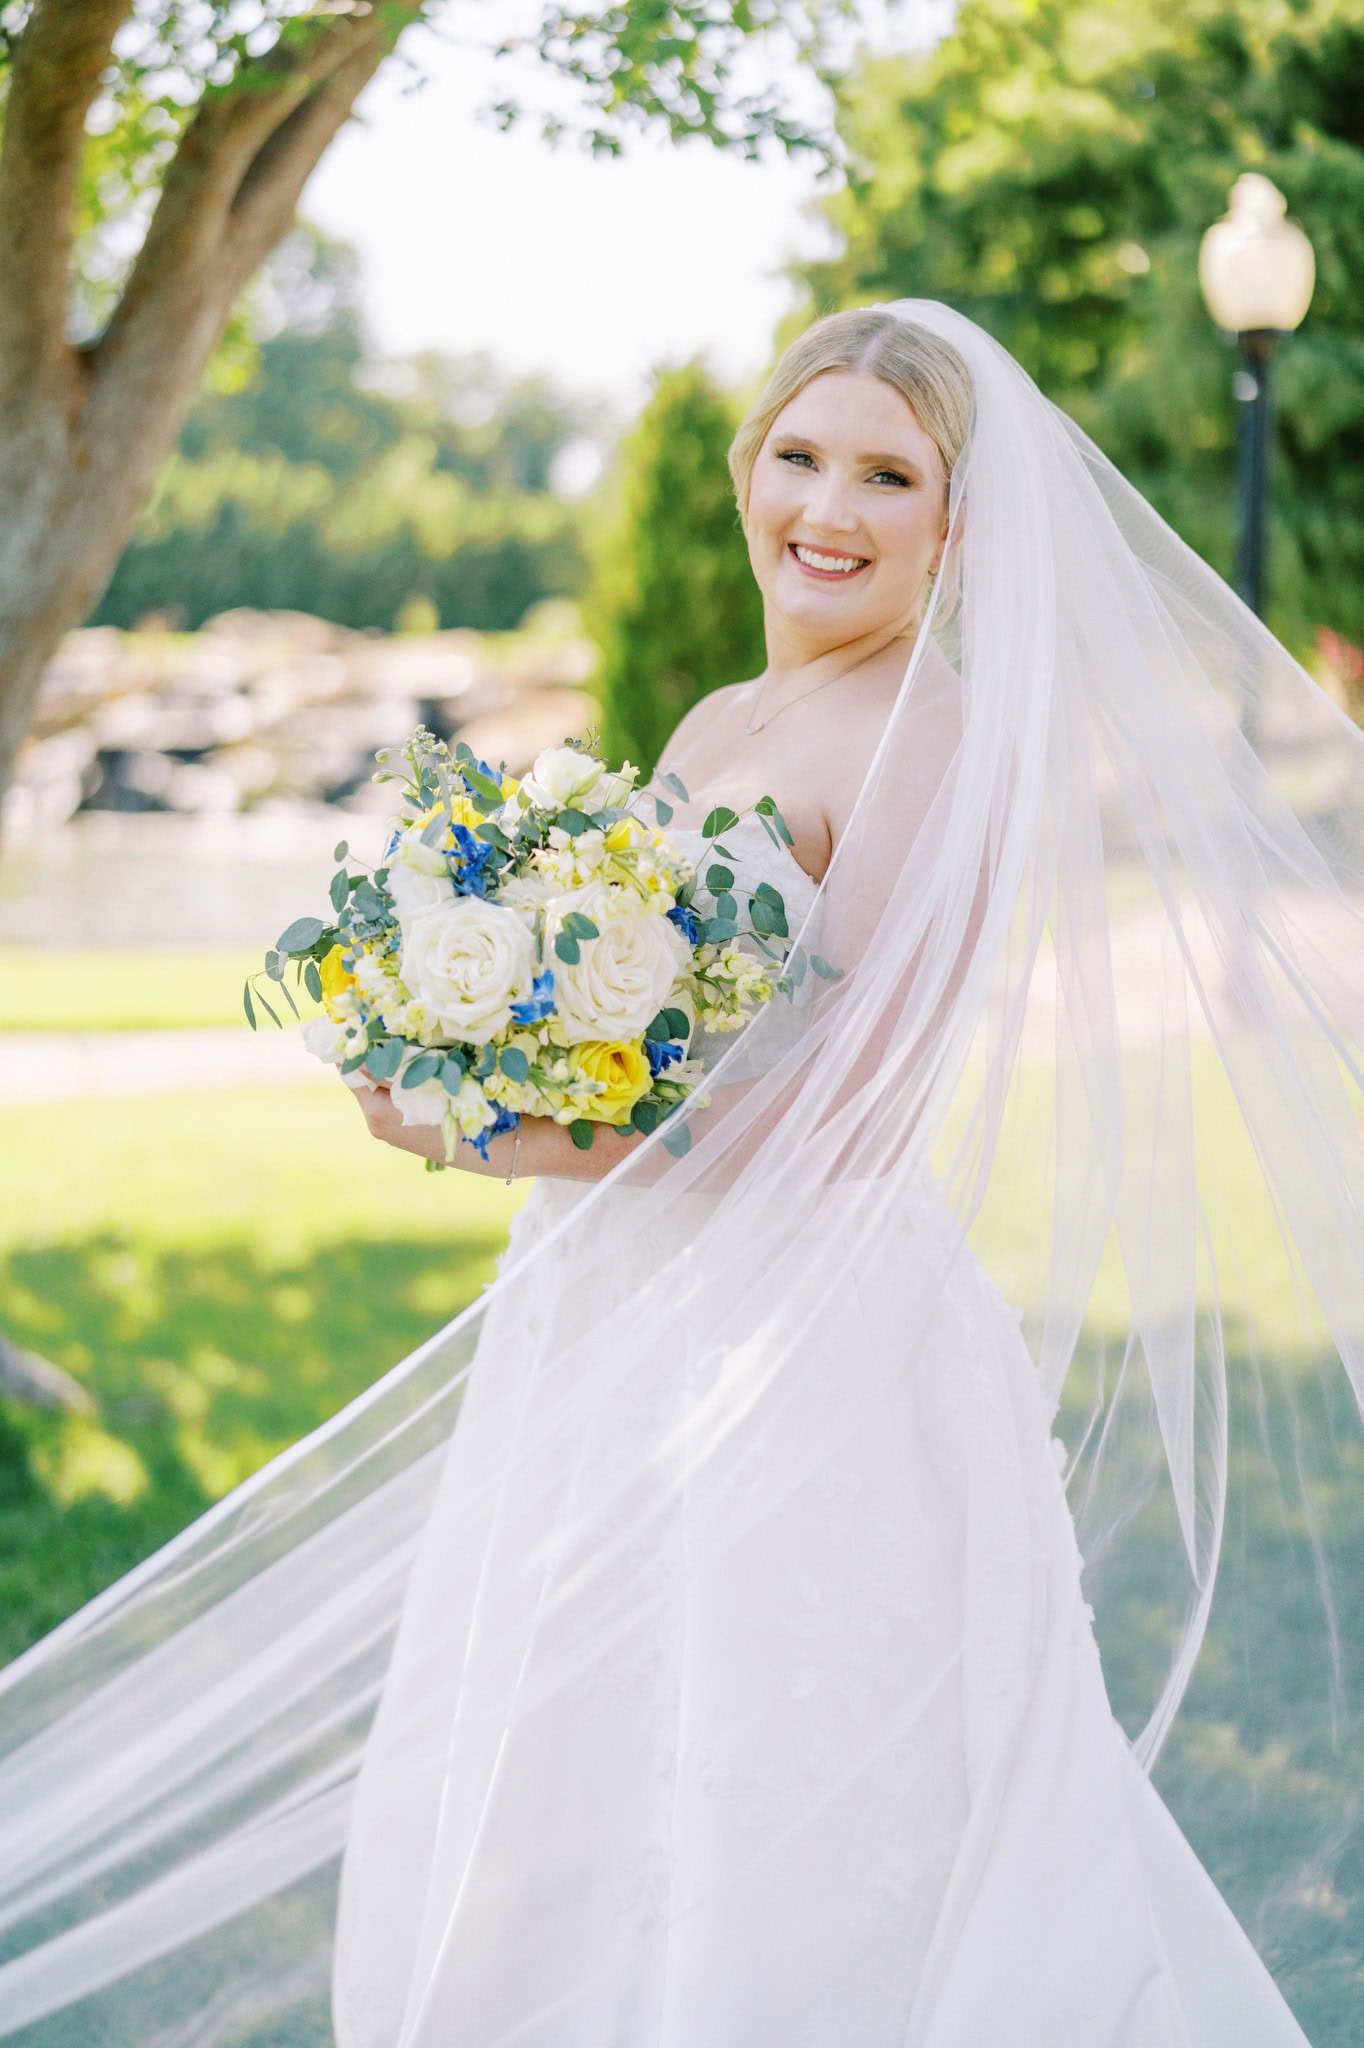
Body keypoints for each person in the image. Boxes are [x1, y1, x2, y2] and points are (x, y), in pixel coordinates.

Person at [0, 304, 1361, 2047]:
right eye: (800, 455)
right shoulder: (724, 714)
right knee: (577, 1737)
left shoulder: (933, 735)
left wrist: (497, 1138)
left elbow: (851, 1117)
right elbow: (656, 1031)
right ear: (747, 471)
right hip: (606, 1307)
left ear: (957, 522)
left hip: (811, 1333)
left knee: (774, 1760)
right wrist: (482, 1033)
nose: (830, 508)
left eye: (889, 476)